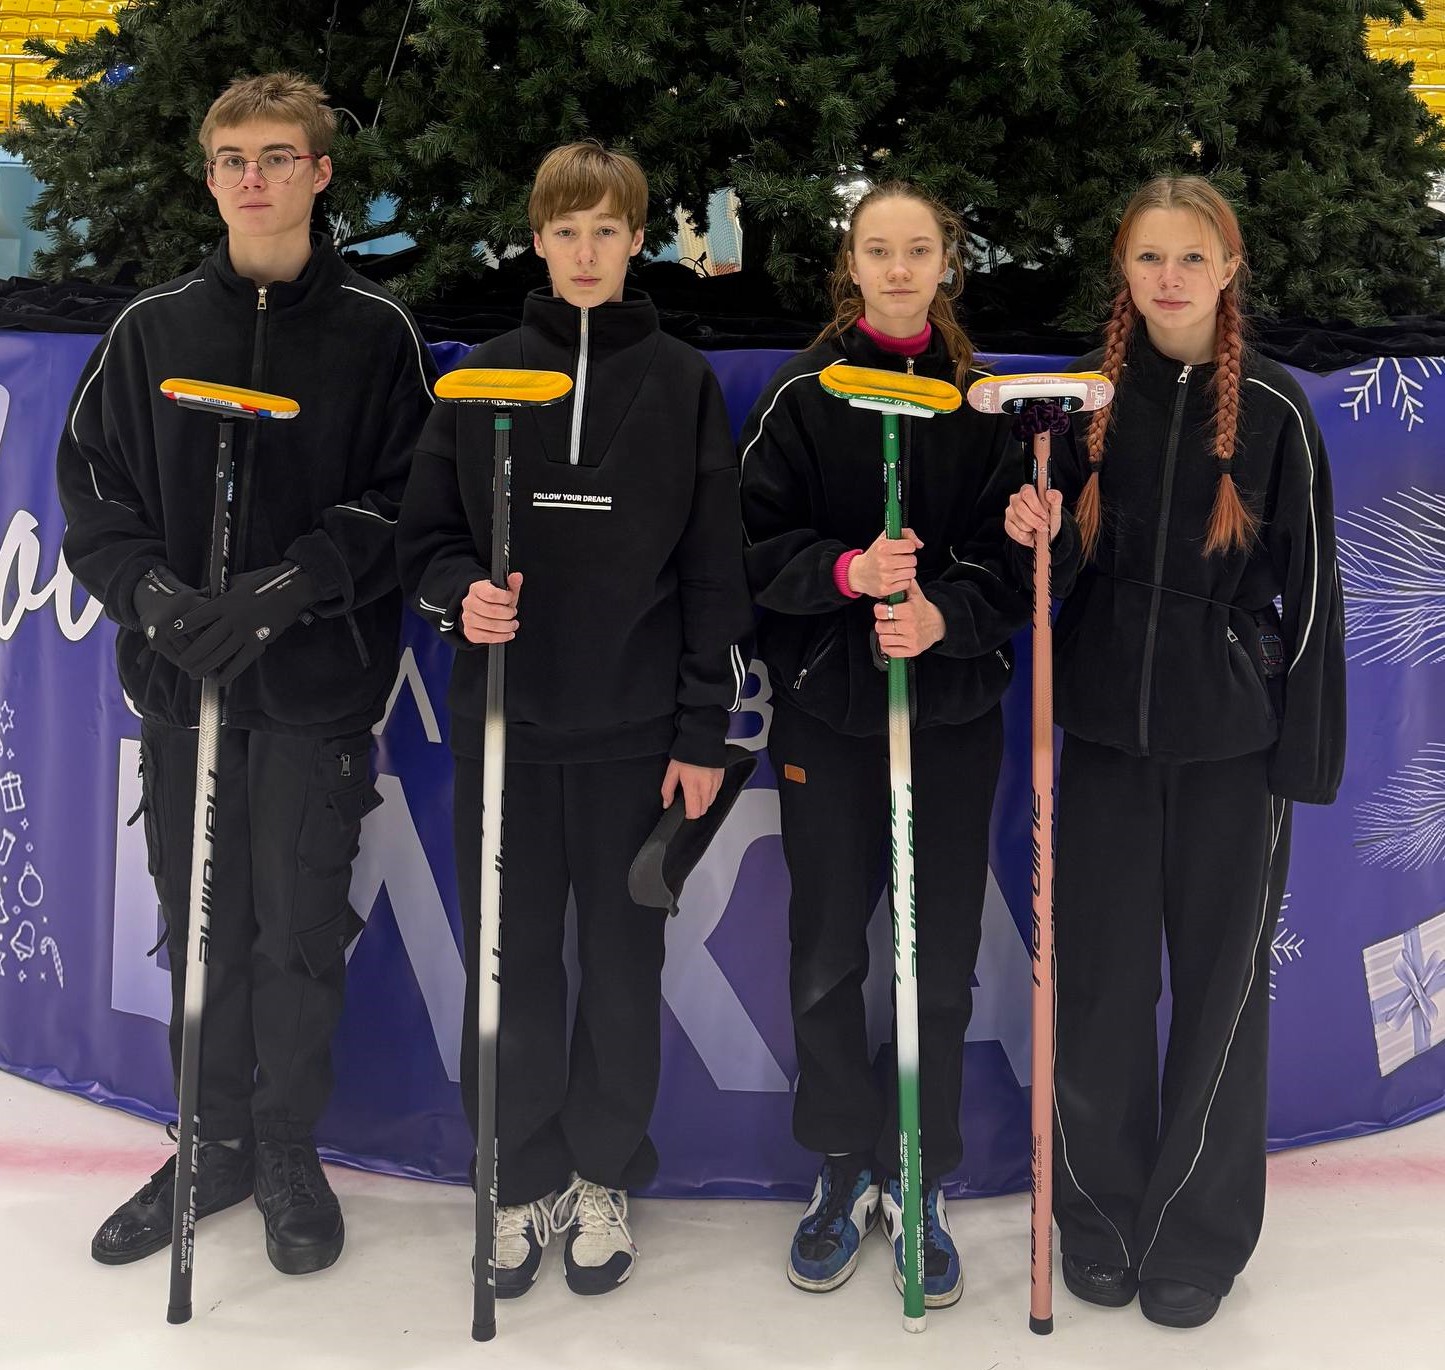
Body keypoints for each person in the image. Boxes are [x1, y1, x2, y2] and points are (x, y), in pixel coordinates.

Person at [57, 72, 435, 1276]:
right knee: (202, 924)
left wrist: (294, 585)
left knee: (297, 931)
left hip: (315, 686)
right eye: (233, 159)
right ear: (210, 175)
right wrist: (153, 597)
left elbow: (408, 495)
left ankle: (282, 1145)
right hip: (186, 688)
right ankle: (209, 1140)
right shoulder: (151, 329)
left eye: (277, 157)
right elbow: (92, 487)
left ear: (320, 173)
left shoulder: (375, 333)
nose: (253, 178)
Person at [397, 141, 752, 1298]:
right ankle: (514, 1175)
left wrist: (700, 730)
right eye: (565, 231)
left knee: (619, 968)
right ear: (537, 241)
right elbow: (424, 538)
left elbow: (713, 571)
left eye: (606, 230)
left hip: (634, 739)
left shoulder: (683, 383)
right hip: (506, 729)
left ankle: (602, 1171)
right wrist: (461, 593)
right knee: (506, 968)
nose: (586, 252)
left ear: (638, 239)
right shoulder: (479, 377)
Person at [1005, 175, 1345, 1328]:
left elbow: (1312, 591)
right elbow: (1044, 572)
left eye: (1190, 257)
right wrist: (1036, 529)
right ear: (1123, 268)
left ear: (1227, 268)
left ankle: (1193, 1234)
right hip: (1104, 734)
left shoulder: (1276, 410)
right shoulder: (1079, 401)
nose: (1167, 278)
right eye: (1148, 256)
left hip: (1230, 751)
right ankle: (1097, 1218)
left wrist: (1300, 756)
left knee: (1218, 996)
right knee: (1099, 987)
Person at [738, 182, 1040, 1308]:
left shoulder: (984, 401)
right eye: (879, 250)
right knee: (826, 952)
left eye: (919, 250)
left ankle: (920, 1165)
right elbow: (747, 543)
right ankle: (838, 1160)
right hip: (826, 714)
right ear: (851, 264)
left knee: (938, 958)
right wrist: (847, 573)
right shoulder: (800, 392)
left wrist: (941, 618)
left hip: (949, 717)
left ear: (945, 262)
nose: (900, 268)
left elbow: (1014, 563)